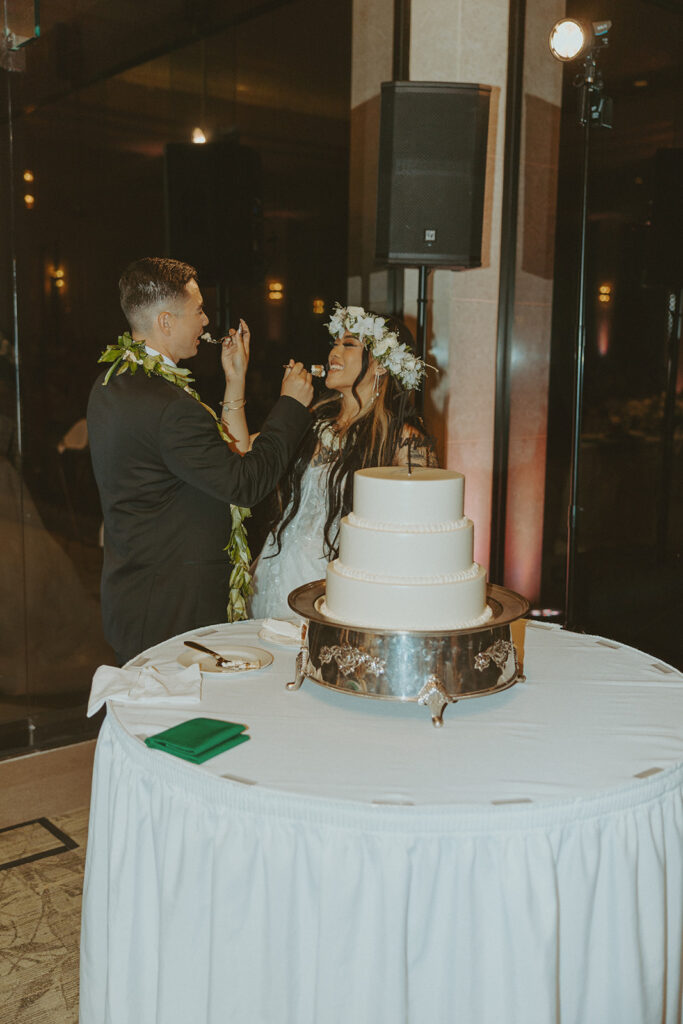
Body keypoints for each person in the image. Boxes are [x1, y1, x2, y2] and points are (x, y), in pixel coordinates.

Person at [87, 257, 313, 664]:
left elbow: (205, 459)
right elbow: (245, 483)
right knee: (172, 721)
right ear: (166, 322)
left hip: (137, 593)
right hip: (171, 605)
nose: (207, 322)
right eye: (199, 311)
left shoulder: (112, 383)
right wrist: (290, 407)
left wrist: (235, 379)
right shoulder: (167, 406)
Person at [249, 303, 437, 620]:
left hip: (339, 584)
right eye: (335, 342)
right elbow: (245, 456)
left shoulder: (402, 439)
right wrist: (237, 377)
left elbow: (421, 533)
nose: (335, 350)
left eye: (348, 344)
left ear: (380, 365)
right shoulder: (311, 420)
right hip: (276, 568)